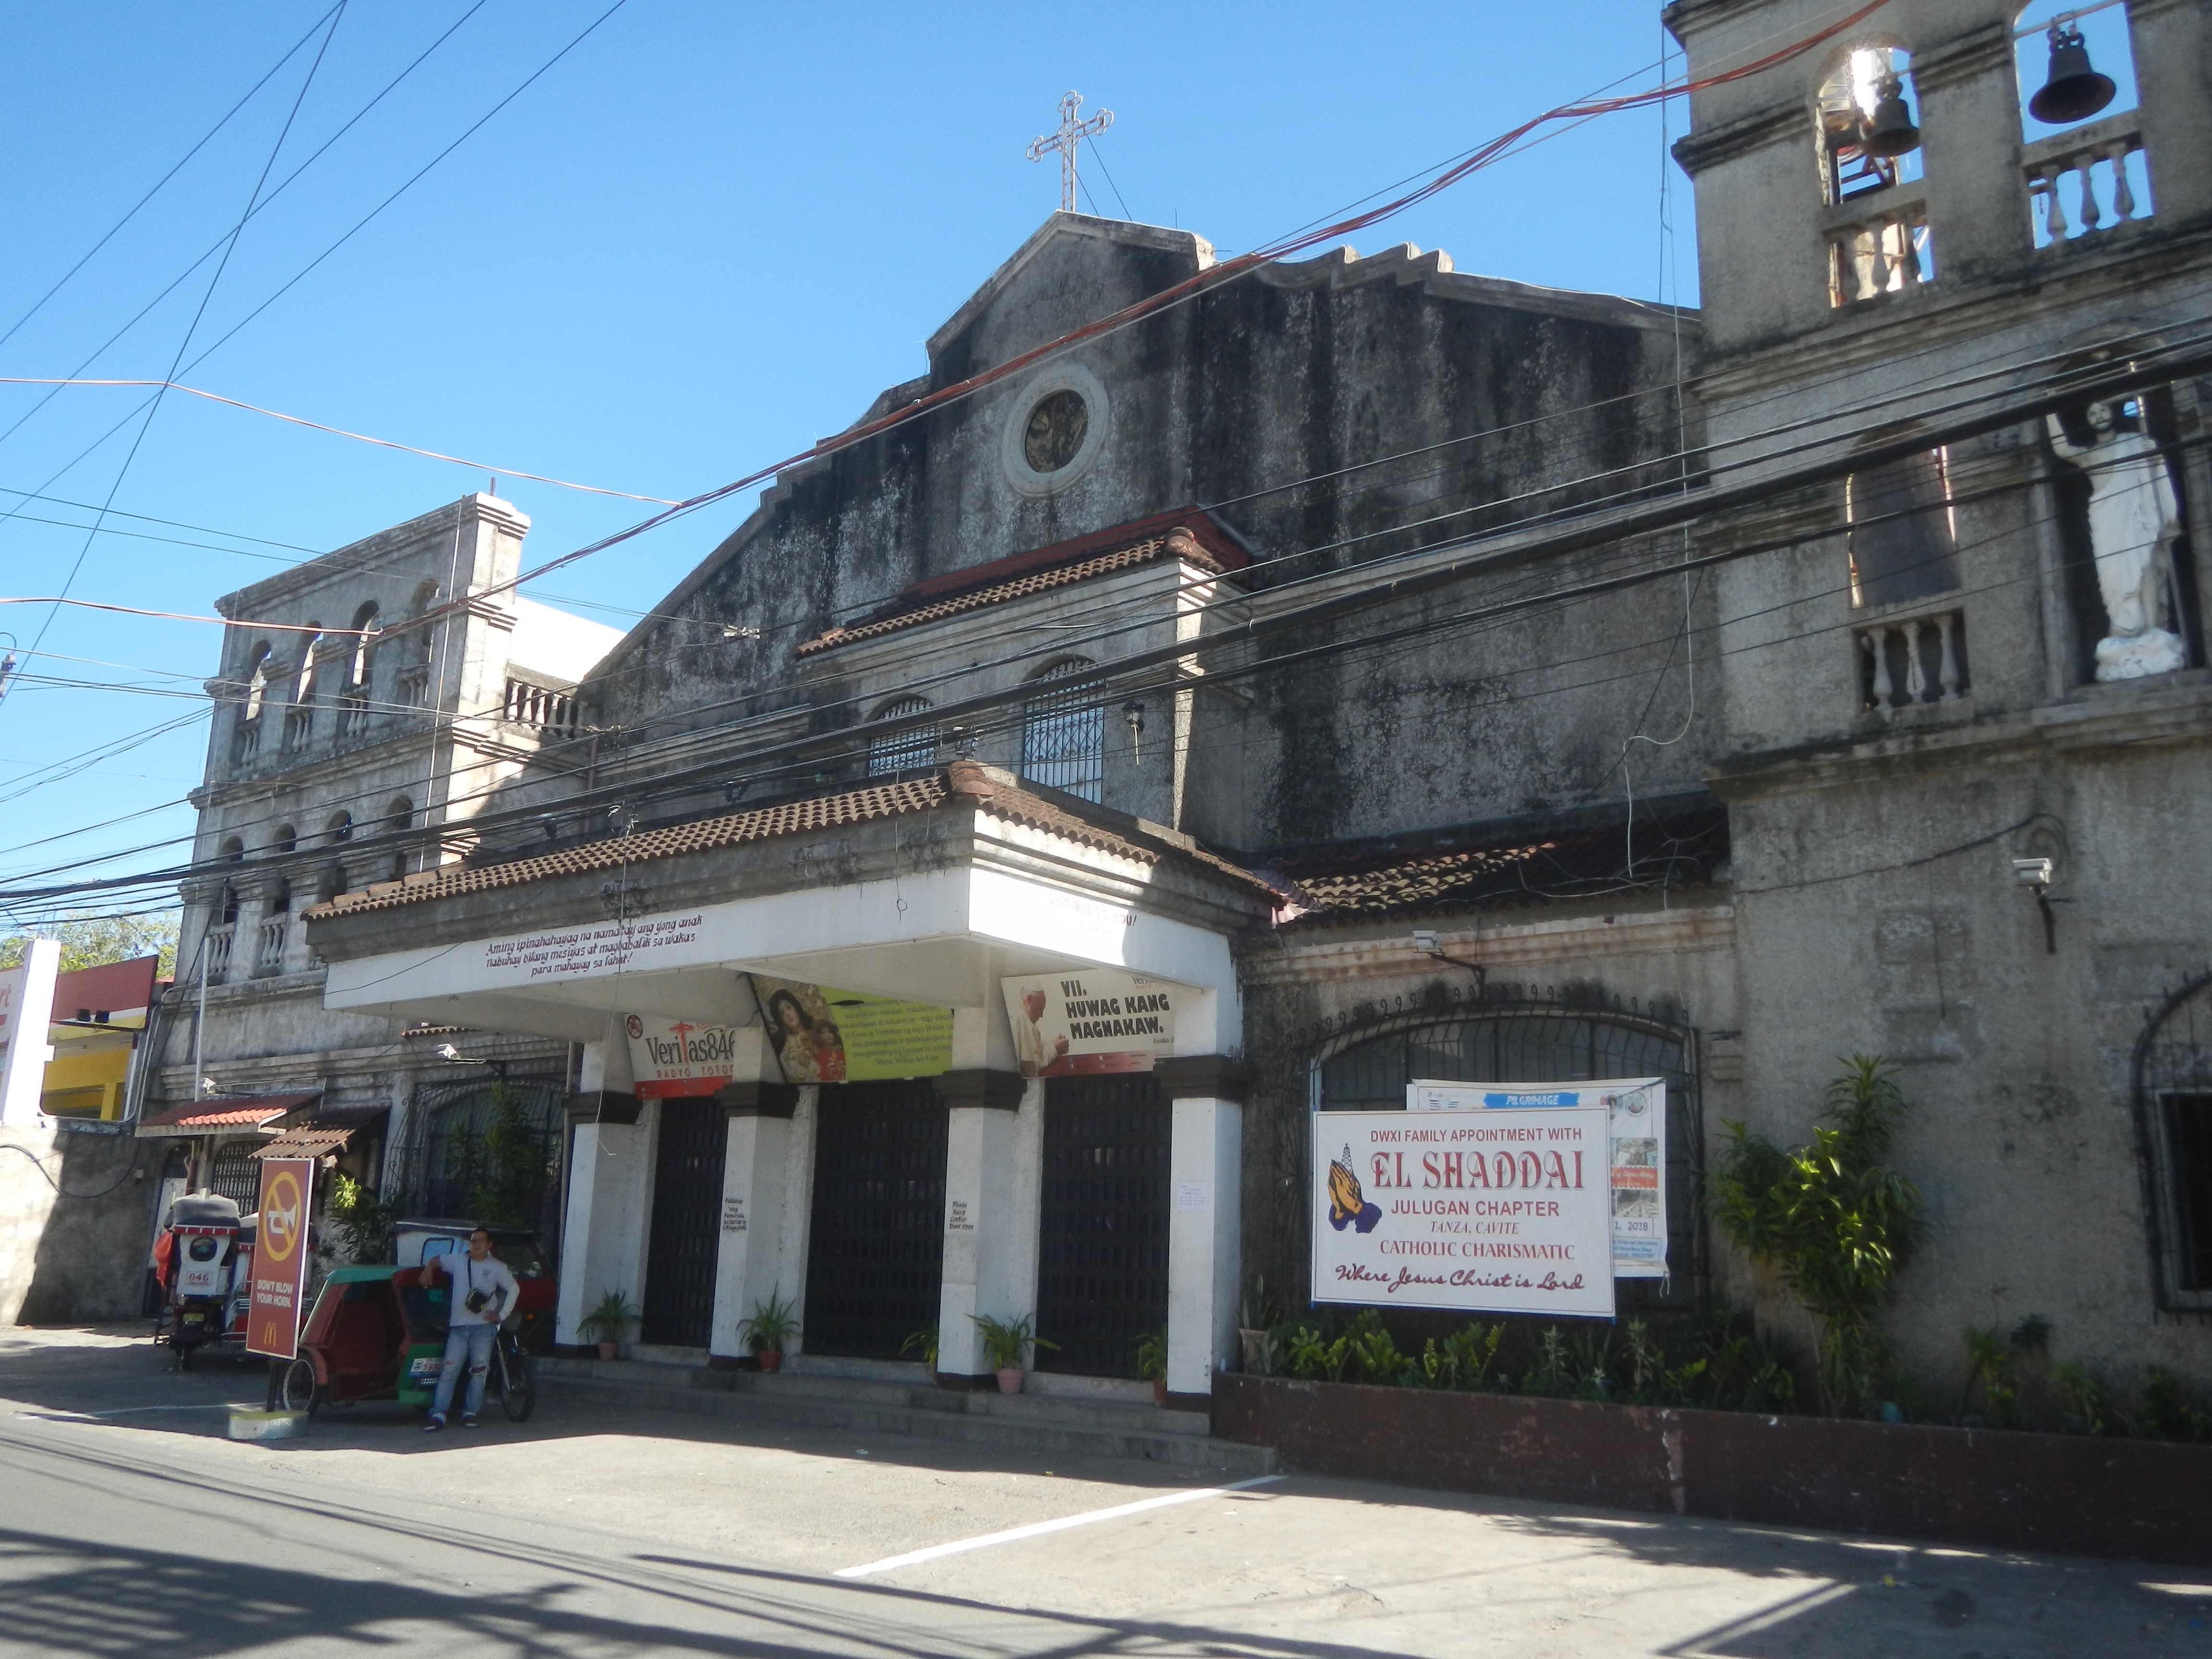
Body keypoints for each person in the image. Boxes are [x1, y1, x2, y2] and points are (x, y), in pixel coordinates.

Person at [420, 1228, 518, 1431]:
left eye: (481, 1241)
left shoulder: (497, 1267)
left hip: (483, 1328)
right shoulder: (458, 1261)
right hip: (458, 1327)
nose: (477, 1245)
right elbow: (437, 1259)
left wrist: (502, 1315)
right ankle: (438, 1413)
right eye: (474, 1241)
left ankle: (471, 1412)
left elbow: (514, 1289)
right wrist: (428, 1268)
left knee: (479, 1371)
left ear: (489, 1245)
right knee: (449, 1371)